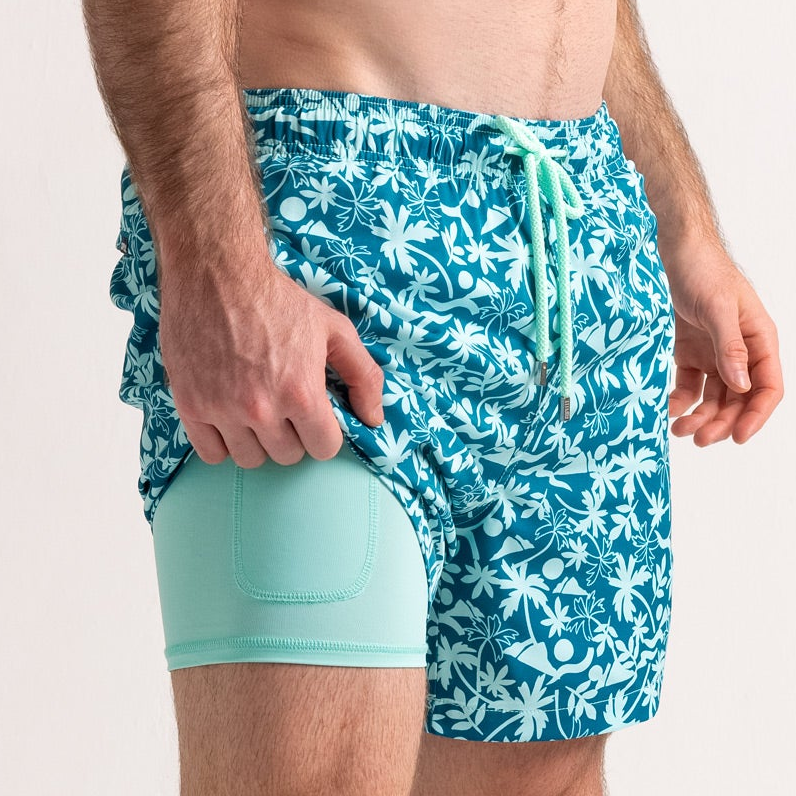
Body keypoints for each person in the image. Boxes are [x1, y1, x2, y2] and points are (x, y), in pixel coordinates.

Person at [83, 0, 783, 793]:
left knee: (542, 778)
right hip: (340, 224)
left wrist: (681, 222)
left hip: (582, 235)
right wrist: (218, 266)